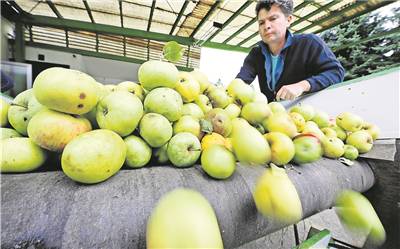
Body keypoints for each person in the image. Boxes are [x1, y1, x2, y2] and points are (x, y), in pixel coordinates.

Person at [236, 0, 345, 102]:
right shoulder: (256, 54)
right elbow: (241, 81)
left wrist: (302, 86)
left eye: (273, 19)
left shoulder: (309, 43)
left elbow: (336, 72)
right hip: (272, 117)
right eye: (261, 23)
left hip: (306, 114)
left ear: (288, 20)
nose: (266, 26)